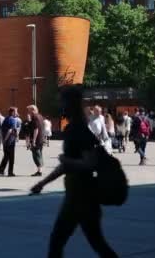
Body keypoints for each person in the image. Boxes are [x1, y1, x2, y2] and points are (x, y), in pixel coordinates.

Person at [30, 85, 118, 258]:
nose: (61, 106)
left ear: (70, 104)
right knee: (96, 242)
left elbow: (89, 162)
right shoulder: (76, 128)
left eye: (63, 101)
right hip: (78, 196)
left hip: (80, 197)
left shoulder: (78, 129)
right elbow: (67, 165)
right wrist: (43, 183)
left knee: (58, 242)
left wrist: (66, 161)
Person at [0, 107, 20, 177]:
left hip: (6, 141)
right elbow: (10, 130)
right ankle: (10, 172)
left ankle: (1, 170)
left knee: (6, 156)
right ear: (13, 112)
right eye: (16, 111)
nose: (17, 113)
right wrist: (6, 139)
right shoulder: (12, 120)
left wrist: (3, 140)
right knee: (11, 157)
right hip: (10, 141)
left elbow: (2, 130)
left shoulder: (6, 118)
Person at [27, 105, 45, 177]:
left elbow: (36, 129)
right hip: (41, 138)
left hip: (37, 139)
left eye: (29, 110)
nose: (28, 112)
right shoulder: (40, 116)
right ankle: (39, 170)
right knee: (39, 153)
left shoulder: (34, 117)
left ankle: (39, 171)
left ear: (33, 110)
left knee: (36, 155)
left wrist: (33, 140)